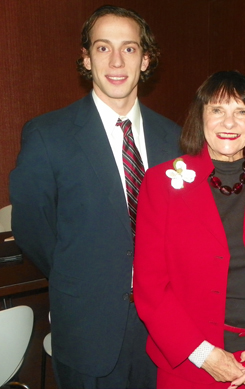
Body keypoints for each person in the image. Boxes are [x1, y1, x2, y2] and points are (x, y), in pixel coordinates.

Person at [9, 5, 181, 389]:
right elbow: (33, 230)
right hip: (87, 331)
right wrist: (84, 277)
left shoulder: (175, 139)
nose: (116, 61)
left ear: (146, 59)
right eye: (103, 48)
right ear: (86, 58)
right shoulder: (47, 136)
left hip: (164, 333)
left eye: (129, 48)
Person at [133, 70, 245, 389]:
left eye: (241, 111)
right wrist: (204, 355)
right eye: (217, 110)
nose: (229, 123)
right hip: (189, 362)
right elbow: (150, 285)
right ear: (199, 117)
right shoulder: (161, 183)